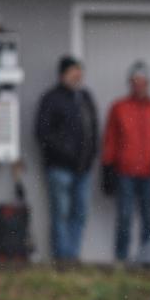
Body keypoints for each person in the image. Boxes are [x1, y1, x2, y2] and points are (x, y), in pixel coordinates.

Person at [101, 61, 150, 262]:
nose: (139, 86)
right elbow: (111, 140)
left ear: (148, 84)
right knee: (124, 218)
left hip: (149, 173)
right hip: (125, 172)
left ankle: (147, 259)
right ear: (130, 84)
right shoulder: (119, 108)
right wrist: (107, 167)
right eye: (135, 82)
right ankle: (121, 259)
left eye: (143, 82)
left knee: (149, 220)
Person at [35, 55, 98, 263]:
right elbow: (43, 133)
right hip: (60, 168)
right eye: (74, 71)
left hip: (83, 168)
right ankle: (61, 258)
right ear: (63, 74)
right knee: (60, 214)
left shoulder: (85, 97)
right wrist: (64, 152)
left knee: (79, 214)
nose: (78, 75)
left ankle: (73, 255)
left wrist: (90, 156)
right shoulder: (51, 98)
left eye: (80, 71)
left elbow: (93, 130)